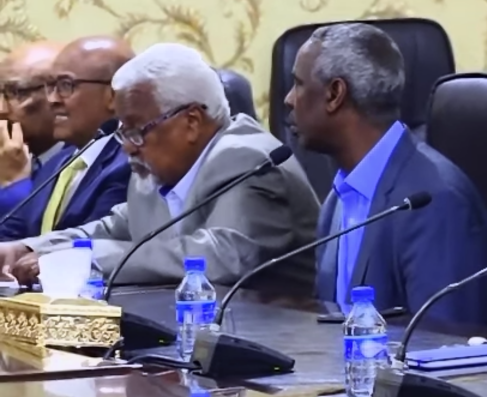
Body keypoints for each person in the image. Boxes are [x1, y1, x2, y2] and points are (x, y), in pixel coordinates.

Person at [0, 42, 320, 290]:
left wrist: (84, 259)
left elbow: (222, 256)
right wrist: (25, 248)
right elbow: (113, 227)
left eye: (137, 130)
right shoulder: (156, 170)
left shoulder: (248, 160)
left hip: (290, 342)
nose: (128, 146)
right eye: (124, 131)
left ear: (191, 121)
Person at [286, 22, 487, 326]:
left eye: (298, 84)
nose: (289, 99)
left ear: (335, 94)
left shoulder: (434, 202)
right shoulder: (338, 199)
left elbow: (446, 343)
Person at [0, 37, 134, 242]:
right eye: (50, 87)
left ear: (113, 95)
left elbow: (90, 246)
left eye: (65, 86)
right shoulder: (59, 162)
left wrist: (14, 187)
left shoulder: (129, 164)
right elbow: (10, 234)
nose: (52, 99)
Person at [0, 41, 66, 214]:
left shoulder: (89, 163)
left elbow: (41, 231)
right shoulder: (4, 156)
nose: (2, 109)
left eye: (16, 92)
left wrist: (14, 185)